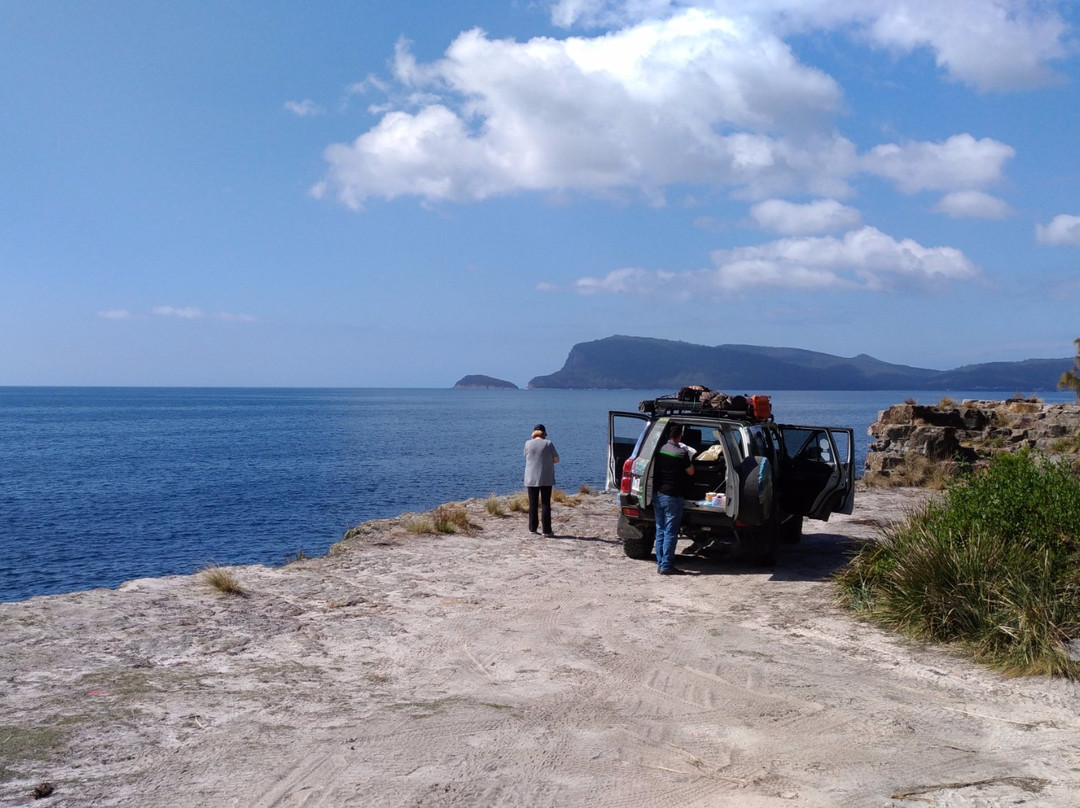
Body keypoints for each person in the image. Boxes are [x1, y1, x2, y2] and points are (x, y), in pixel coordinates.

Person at [653, 422, 694, 575]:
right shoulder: (681, 453)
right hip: (673, 496)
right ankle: (666, 566)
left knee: (660, 530)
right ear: (679, 436)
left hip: (658, 494)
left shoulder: (660, 449)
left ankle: (660, 563)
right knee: (670, 532)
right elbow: (690, 471)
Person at [524, 424, 560, 537]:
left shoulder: (527, 443)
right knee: (545, 504)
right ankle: (547, 531)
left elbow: (526, 456)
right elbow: (556, 459)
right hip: (546, 478)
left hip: (531, 478)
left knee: (533, 504)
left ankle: (532, 528)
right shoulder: (548, 443)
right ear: (544, 434)